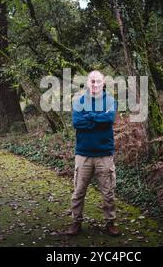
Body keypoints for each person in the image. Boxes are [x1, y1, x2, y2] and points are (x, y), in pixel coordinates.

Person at [60, 70, 120, 237]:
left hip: (104, 154)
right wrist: (98, 118)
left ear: (103, 83)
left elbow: (109, 120)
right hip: (83, 154)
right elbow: (77, 122)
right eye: (92, 81)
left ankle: (110, 223)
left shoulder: (110, 100)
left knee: (108, 192)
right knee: (78, 191)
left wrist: (90, 117)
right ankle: (76, 222)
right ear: (87, 82)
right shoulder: (79, 101)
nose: (95, 84)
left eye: (98, 81)